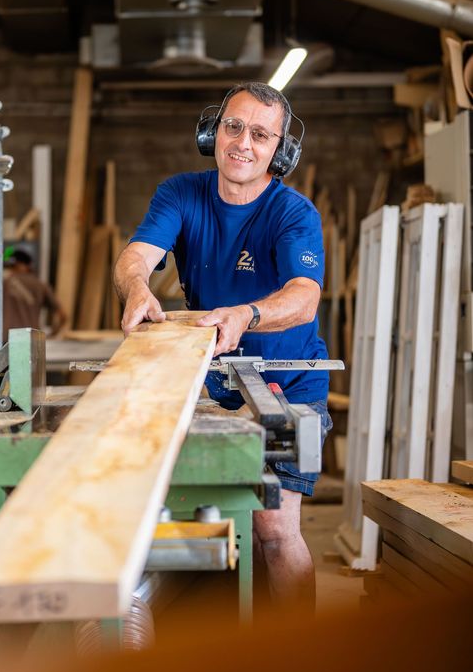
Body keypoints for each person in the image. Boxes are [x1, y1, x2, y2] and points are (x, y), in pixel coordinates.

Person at [113, 81, 332, 614]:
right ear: (213, 131)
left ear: (279, 151)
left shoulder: (294, 213)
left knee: (274, 527)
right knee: (203, 512)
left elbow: (304, 298)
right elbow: (135, 255)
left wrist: (247, 314)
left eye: (261, 134)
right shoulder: (180, 193)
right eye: (234, 127)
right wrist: (137, 287)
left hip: (287, 383)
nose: (243, 143)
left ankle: (304, 660)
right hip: (208, 383)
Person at [3, 248, 66, 336]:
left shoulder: (3, 283)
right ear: (29, 265)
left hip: (5, 338)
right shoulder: (40, 285)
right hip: (29, 338)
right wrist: (53, 333)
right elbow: (63, 315)